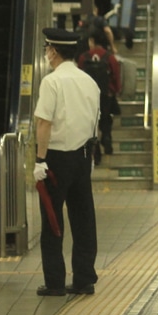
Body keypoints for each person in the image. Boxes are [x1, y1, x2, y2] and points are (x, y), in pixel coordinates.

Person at [33, 28, 102, 296]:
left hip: (57, 160)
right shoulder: (90, 82)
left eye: (47, 50)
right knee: (83, 218)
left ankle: (55, 283)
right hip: (83, 157)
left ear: (53, 51)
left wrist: (40, 160)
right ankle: (84, 278)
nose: (47, 54)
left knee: (52, 220)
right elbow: (94, 122)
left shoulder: (52, 82)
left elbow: (44, 123)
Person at [77, 29, 122, 164]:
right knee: (106, 118)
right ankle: (107, 137)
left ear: (92, 41)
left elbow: (79, 76)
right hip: (105, 95)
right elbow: (116, 77)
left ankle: (95, 152)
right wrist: (114, 90)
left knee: (91, 123)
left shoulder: (83, 57)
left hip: (88, 97)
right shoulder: (110, 57)